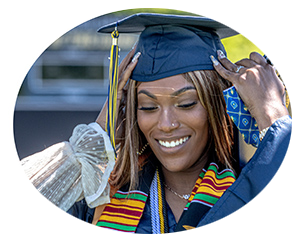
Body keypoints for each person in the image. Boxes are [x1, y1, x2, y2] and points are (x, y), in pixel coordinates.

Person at [21, 13, 292, 234]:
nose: (165, 124)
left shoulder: (254, 190)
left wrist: (274, 120)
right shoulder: (100, 200)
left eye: (186, 104)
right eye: (148, 107)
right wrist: (95, 136)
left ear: (217, 107)